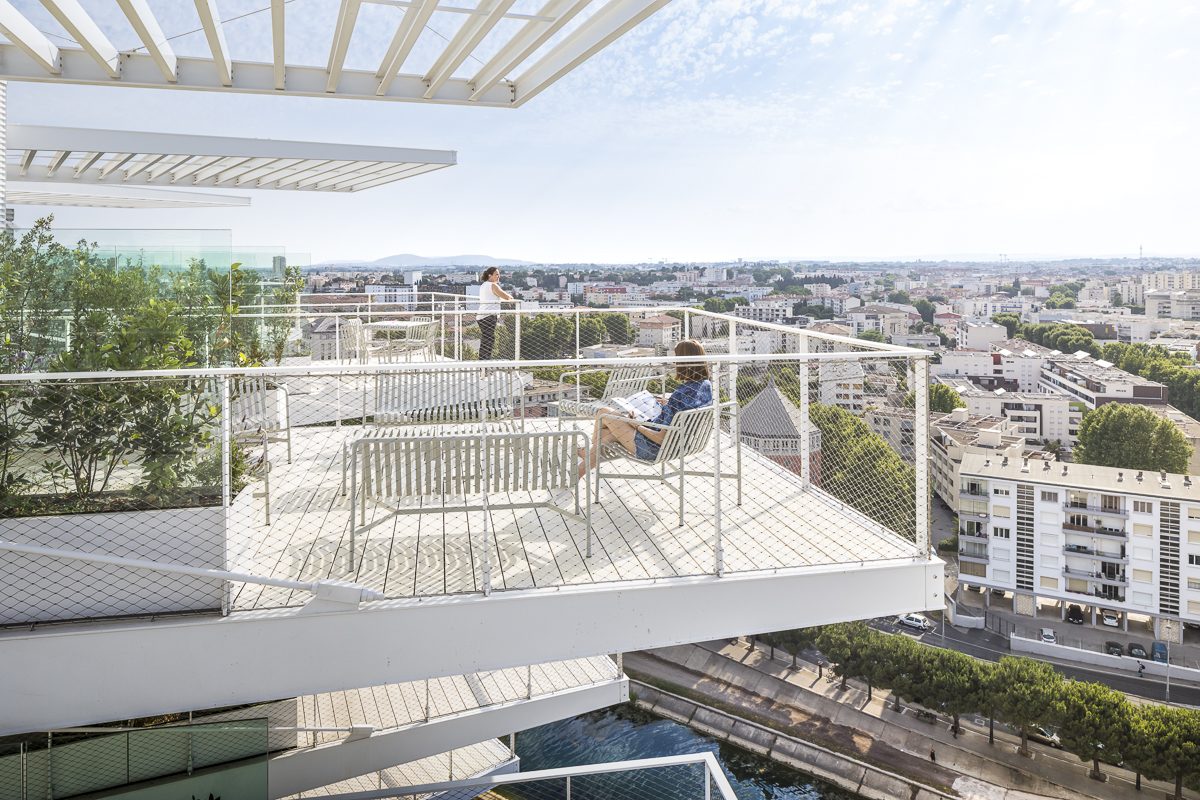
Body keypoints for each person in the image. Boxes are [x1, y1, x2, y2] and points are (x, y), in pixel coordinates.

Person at [578, 339, 712, 477]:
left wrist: (636, 425)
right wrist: (669, 404)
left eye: (676, 358)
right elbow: (682, 411)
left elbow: (662, 438)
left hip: (654, 449)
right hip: (682, 445)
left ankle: (587, 453)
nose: (674, 362)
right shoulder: (705, 386)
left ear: (684, 362)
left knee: (603, 413)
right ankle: (576, 474)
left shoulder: (681, 394)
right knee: (604, 436)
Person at [475, 267, 512, 360]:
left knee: (486, 341)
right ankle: (485, 364)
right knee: (489, 342)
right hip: (489, 316)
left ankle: (484, 364)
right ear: (489, 276)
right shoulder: (493, 285)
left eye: (498, 274)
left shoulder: (484, 285)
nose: (498, 276)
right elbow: (505, 296)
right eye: (496, 275)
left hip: (481, 316)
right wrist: (510, 298)